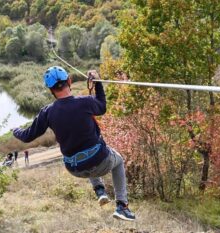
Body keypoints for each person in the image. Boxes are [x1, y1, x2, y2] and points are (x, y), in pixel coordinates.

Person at [12, 66, 135, 221]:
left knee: (83, 147)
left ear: (51, 90)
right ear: (69, 81)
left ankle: (99, 190)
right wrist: (97, 83)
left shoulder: (47, 112)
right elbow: (102, 107)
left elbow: (27, 136)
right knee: (117, 161)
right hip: (100, 161)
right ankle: (122, 206)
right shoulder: (86, 102)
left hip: (75, 168)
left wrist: (15, 130)